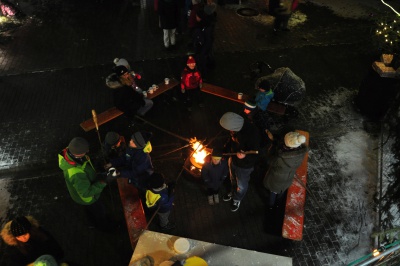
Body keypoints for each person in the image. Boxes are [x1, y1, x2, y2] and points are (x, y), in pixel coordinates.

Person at [58, 137, 115, 230]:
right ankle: (105, 226)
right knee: (99, 210)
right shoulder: (76, 173)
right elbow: (86, 192)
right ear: (79, 154)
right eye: (85, 151)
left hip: (79, 196)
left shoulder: (70, 151)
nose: (88, 151)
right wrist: (105, 181)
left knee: (89, 210)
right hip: (88, 198)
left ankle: (91, 222)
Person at [219, 112, 260, 212]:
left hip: (244, 166)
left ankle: (237, 199)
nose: (230, 131)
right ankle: (233, 192)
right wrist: (225, 150)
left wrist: (245, 156)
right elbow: (231, 140)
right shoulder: (235, 129)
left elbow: (256, 154)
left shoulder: (253, 133)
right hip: (233, 159)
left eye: (230, 129)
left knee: (241, 185)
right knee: (232, 178)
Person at [263, 131, 307, 208]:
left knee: (273, 192)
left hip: (276, 179)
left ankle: (270, 206)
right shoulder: (300, 153)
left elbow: (269, 160)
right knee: (282, 190)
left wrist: (272, 145)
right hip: (288, 177)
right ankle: (278, 204)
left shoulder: (281, 158)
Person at [0, 216, 64, 266]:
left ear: (30, 231)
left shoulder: (42, 236)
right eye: (18, 237)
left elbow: (58, 252)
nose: (23, 238)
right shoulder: (14, 246)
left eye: (25, 234)